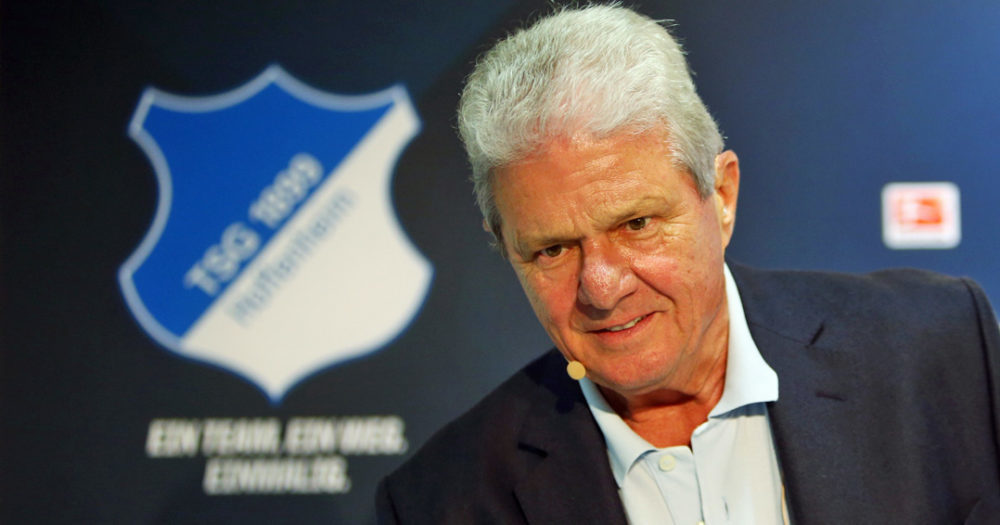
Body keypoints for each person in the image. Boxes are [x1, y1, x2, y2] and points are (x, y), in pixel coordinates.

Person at [376, 5, 1000, 524]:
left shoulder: (940, 351)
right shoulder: (441, 501)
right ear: (506, 248)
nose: (601, 286)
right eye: (552, 249)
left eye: (636, 224)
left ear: (721, 196)